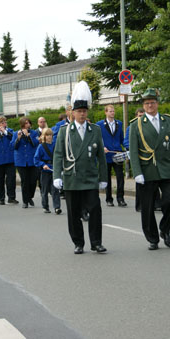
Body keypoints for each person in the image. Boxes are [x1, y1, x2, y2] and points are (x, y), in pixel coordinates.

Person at [53, 81, 108, 255]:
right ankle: (78, 242)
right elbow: (58, 154)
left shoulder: (95, 130)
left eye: (84, 111)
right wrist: (57, 175)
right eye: (79, 111)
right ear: (73, 113)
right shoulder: (65, 131)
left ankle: (96, 242)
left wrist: (104, 177)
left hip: (90, 178)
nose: (82, 114)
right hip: (72, 178)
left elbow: (101, 156)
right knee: (73, 213)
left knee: (95, 211)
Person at [129, 88, 170, 251]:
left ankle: (165, 230)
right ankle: (152, 238)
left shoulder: (168, 121)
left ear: (157, 104)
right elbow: (133, 150)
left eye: (152, 102)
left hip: (166, 168)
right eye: (146, 103)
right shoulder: (136, 125)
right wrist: (136, 172)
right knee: (148, 207)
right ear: (143, 106)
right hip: (147, 170)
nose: (149, 105)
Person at [96, 105, 127, 207]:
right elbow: (97, 139)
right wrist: (102, 147)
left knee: (120, 177)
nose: (112, 113)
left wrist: (127, 147)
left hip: (117, 154)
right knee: (107, 177)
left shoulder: (119, 123)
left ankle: (120, 198)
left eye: (113, 111)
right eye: (110, 111)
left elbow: (122, 139)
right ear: (106, 112)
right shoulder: (100, 125)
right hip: (106, 154)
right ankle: (109, 199)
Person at [11, 117, 39, 208]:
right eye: (26, 123)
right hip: (21, 161)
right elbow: (13, 146)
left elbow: (35, 143)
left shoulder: (34, 133)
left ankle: (30, 196)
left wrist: (28, 136)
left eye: (28, 123)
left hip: (32, 160)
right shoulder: (16, 133)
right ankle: (25, 201)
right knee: (24, 181)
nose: (27, 125)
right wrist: (18, 139)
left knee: (33, 181)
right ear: (22, 124)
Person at [34, 128, 61, 214]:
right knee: (44, 190)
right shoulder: (41, 146)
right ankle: (45, 206)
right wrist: (43, 165)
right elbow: (36, 159)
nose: (49, 137)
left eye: (50, 135)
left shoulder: (55, 145)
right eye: (47, 135)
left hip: (54, 169)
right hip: (45, 170)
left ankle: (57, 207)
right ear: (44, 136)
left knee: (55, 189)